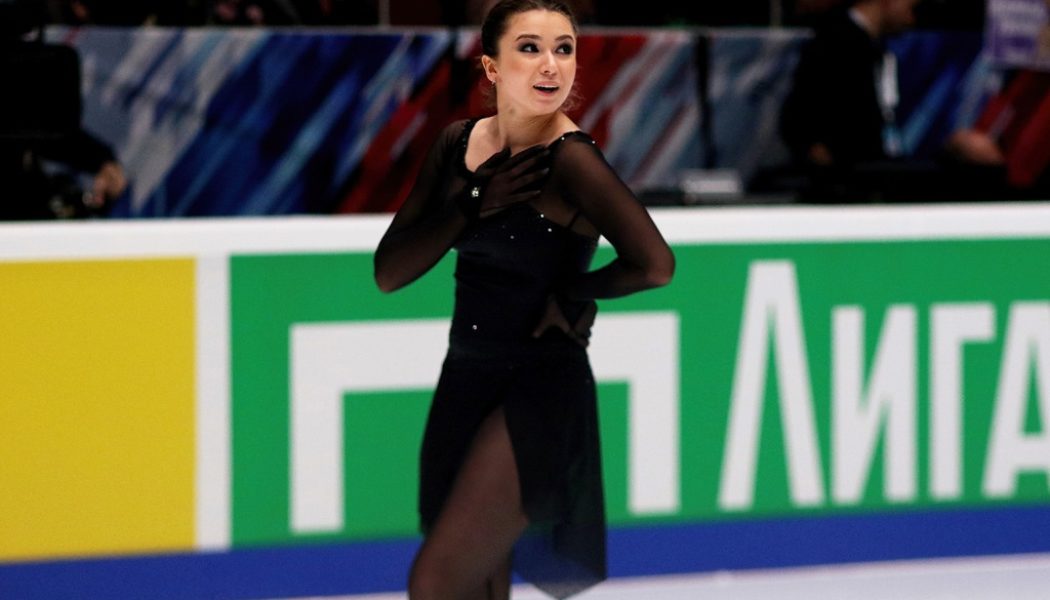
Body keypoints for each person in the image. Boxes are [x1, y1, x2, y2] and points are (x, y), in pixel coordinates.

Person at [373, 1, 675, 598]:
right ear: (491, 67)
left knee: (436, 579)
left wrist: (574, 290)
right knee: (477, 580)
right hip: (465, 377)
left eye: (564, 49)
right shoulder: (457, 144)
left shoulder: (571, 159)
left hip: (539, 387)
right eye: (530, 48)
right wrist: (471, 205)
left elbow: (655, 264)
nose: (551, 64)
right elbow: (390, 271)